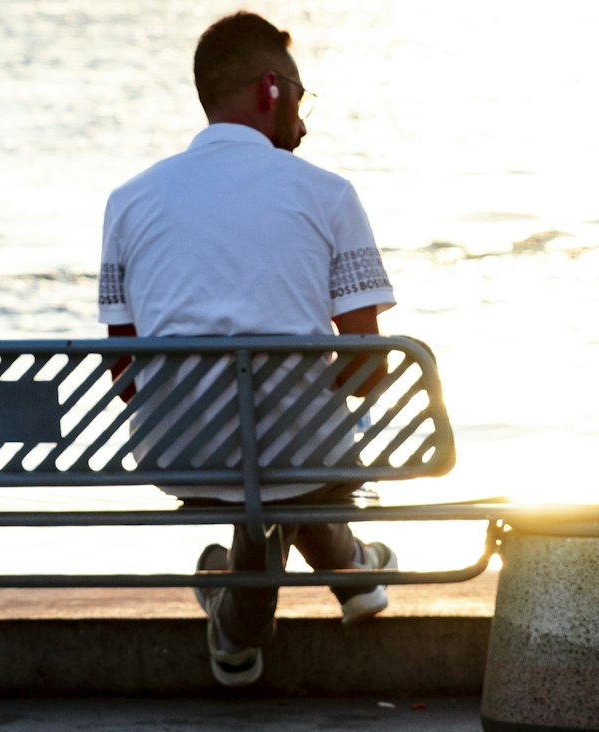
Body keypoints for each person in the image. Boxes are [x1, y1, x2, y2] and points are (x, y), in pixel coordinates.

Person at [98, 10, 399, 686]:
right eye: (299, 91)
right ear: (271, 89)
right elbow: (368, 366)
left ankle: (287, 601)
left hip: (182, 453)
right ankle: (343, 573)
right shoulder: (328, 193)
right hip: (303, 454)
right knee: (291, 453)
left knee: (271, 453)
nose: (304, 112)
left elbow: (125, 370)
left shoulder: (129, 199)